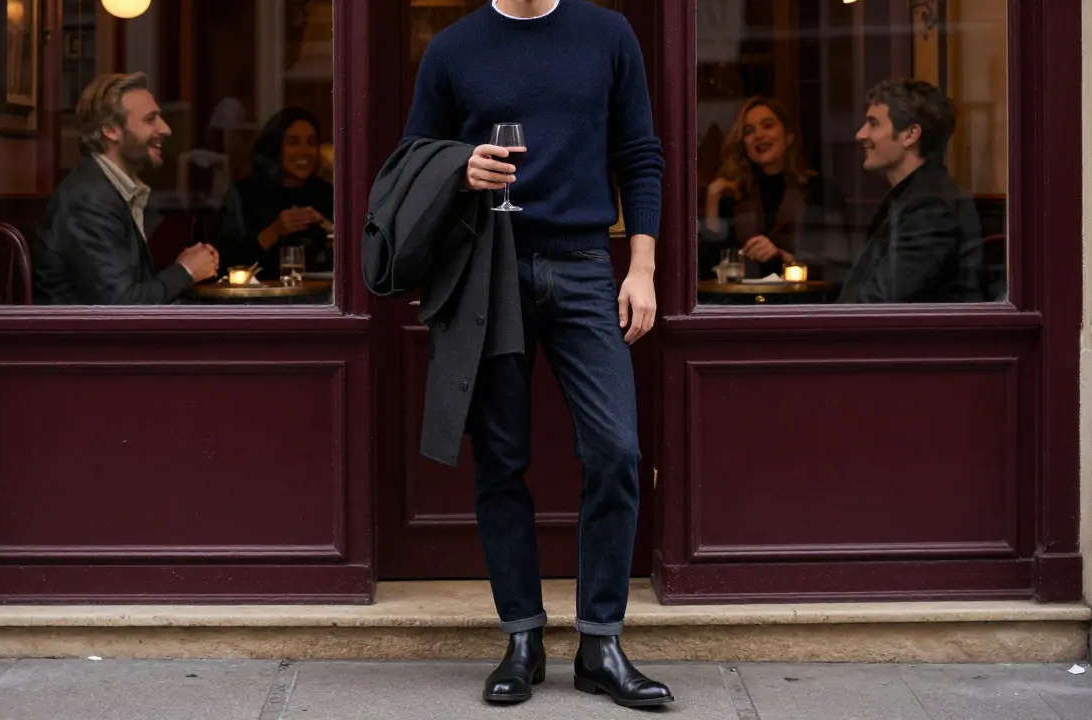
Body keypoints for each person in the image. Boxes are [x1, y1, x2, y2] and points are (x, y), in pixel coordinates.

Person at [402, 0, 672, 708]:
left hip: (585, 264)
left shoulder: (608, 34)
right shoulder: (454, 48)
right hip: (489, 267)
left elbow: (640, 154)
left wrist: (640, 266)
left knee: (615, 451)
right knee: (501, 459)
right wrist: (463, 170)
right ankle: (521, 638)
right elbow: (411, 163)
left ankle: (601, 643)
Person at [32, 72, 218, 304]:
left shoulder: (107, 188)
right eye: (151, 119)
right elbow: (121, 306)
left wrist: (185, 270)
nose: (166, 129)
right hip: (85, 340)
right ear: (110, 130)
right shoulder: (88, 198)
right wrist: (185, 272)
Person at [837, 79, 984, 303]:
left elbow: (879, 302)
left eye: (873, 123)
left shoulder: (930, 208)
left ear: (910, 134)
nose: (860, 134)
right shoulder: (916, 198)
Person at [701, 96, 850, 282]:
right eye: (749, 131)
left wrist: (783, 257)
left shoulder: (820, 190)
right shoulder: (734, 193)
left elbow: (836, 267)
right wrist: (712, 200)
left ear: (789, 136)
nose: (759, 135)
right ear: (743, 143)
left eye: (768, 125)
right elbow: (711, 268)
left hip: (799, 304)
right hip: (743, 304)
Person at [214, 107, 334, 277]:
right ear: (275, 147)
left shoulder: (329, 194)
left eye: (311, 142)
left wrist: (327, 227)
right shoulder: (244, 194)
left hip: (321, 297)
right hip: (260, 298)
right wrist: (274, 232)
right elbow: (224, 264)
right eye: (294, 142)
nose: (305, 151)